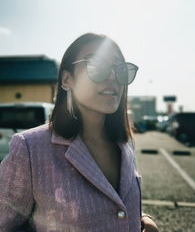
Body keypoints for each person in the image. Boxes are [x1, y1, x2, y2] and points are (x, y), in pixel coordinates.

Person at [0, 33, 158, 231]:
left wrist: (142, 218)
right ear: (67, 79)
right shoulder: (30, 148)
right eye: (97, 66)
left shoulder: (125, 143)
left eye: (119, 69)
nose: (112, 77)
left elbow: (115, 205)